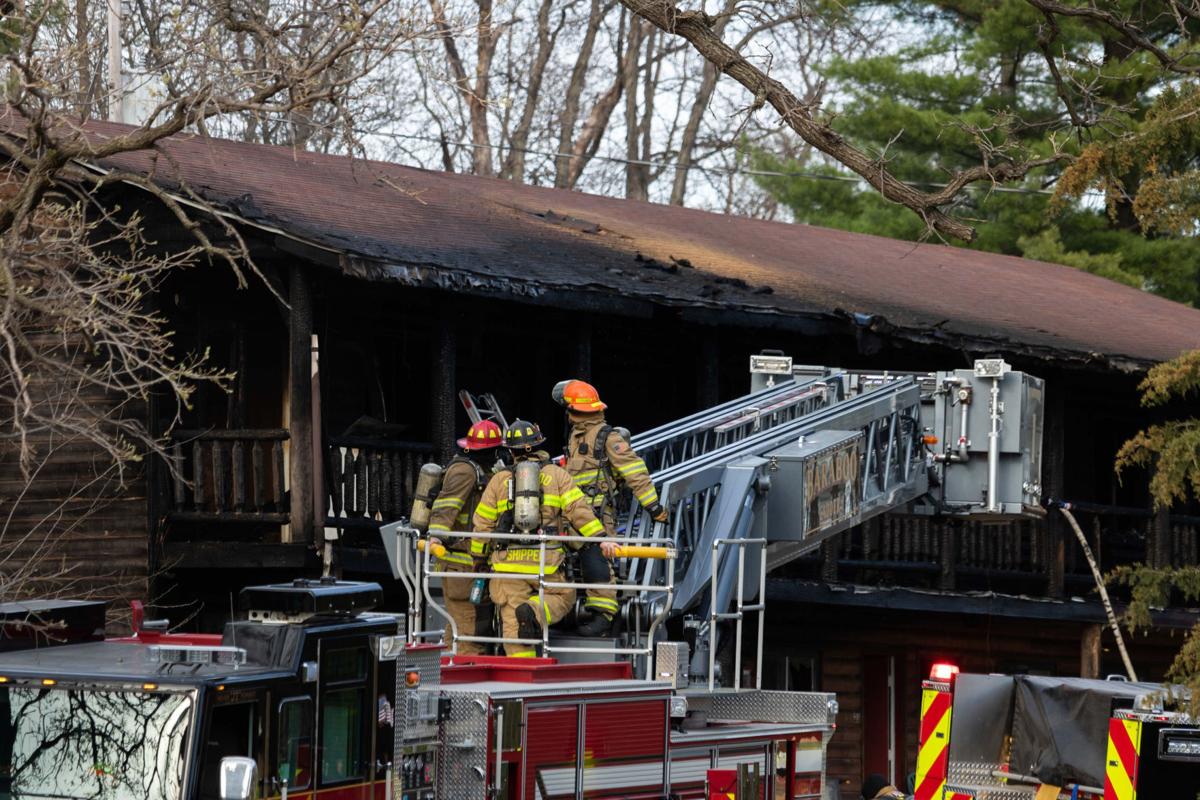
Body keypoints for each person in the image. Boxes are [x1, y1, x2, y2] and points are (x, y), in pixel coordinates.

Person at [471, 419, 610, 657]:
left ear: (511, 451)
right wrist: (601, 538)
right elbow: (578, 511)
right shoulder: (557, 475)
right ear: (538, 445)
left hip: (506, 565)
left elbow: (481, 525)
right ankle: (534, 611)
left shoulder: (498, 480)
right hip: (546, 562)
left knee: (513, 625)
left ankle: (520, 671)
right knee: (564, 597)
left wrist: (479, 560)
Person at [553, 378, 668, 636]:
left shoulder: (608, 437)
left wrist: (654, 507)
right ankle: (565, 611)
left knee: (598, 561)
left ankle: (604, 615)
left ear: (574, 411)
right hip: (573, 514)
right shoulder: (575, 436)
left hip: (597, 514)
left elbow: (635, 472)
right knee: (563, 561)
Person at [426, 419, 503, 654]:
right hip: (461, 564)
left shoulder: (480, 469)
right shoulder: (465, 470)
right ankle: (468, 669)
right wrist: (437, 536)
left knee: (458, 628)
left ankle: (449, 670)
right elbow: (447, 505)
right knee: (470, 630)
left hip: (469, 564)